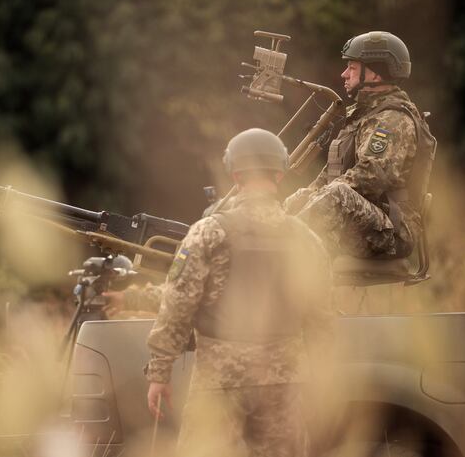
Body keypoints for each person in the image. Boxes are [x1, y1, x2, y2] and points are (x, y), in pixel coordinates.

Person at [143, 128, 333, 457]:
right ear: (279, 174)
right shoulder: (307, 240)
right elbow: (322, 318)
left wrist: (160, 372)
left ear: (234, 174)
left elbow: (177, 304)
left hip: (219, 383)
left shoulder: (208, 232)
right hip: (282, 383)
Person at [284, 31, 436, 259]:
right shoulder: (364, 116)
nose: (344, 74)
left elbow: (371, 177)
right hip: (364, 219)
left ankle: (284, 256)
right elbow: (327, 179)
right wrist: (303, 200)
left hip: (392, 230)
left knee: (336, 194)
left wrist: (319, 199)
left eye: (352, 68)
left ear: (374, 74)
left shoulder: (392, 120)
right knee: (297, 198)